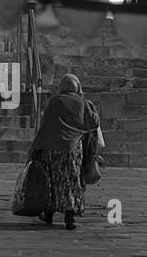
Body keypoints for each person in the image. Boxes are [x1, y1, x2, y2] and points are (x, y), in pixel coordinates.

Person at [28, 73, 100, 229]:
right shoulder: (82, 102)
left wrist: (35, 148)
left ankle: (48, 214)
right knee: (72, 182)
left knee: (51, 181)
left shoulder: (55, 101)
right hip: (72, 150)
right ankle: (69, 218)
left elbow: (46, 125)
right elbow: (94, 122)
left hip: (52, 149)